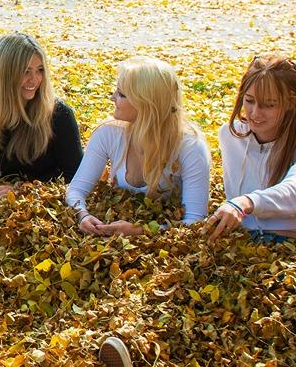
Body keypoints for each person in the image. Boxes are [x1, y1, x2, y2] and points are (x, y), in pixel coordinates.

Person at [66, 56, 211, 236]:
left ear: (146, 103)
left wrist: (141, 231)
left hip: (165, 247)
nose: (112, 98)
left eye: (121, 94)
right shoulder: (108, 133)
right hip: (110, 239)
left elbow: (195, 221)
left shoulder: (190, 147)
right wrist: (83, 215)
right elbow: (76, 190)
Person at [206, 54, 296, 243]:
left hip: (293, 245)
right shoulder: (231, 135)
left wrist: (245, 202)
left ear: (291, 103)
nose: (255, 113)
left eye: (269, 105)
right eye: (249, 101)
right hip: (242, 242)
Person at [0, 33, 83, 202]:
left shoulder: (58, 115)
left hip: (35, 214)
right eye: (26, 71)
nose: (34, 80)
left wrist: (21, 190)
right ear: (4, 74)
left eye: (40, 70)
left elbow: (77, 178)